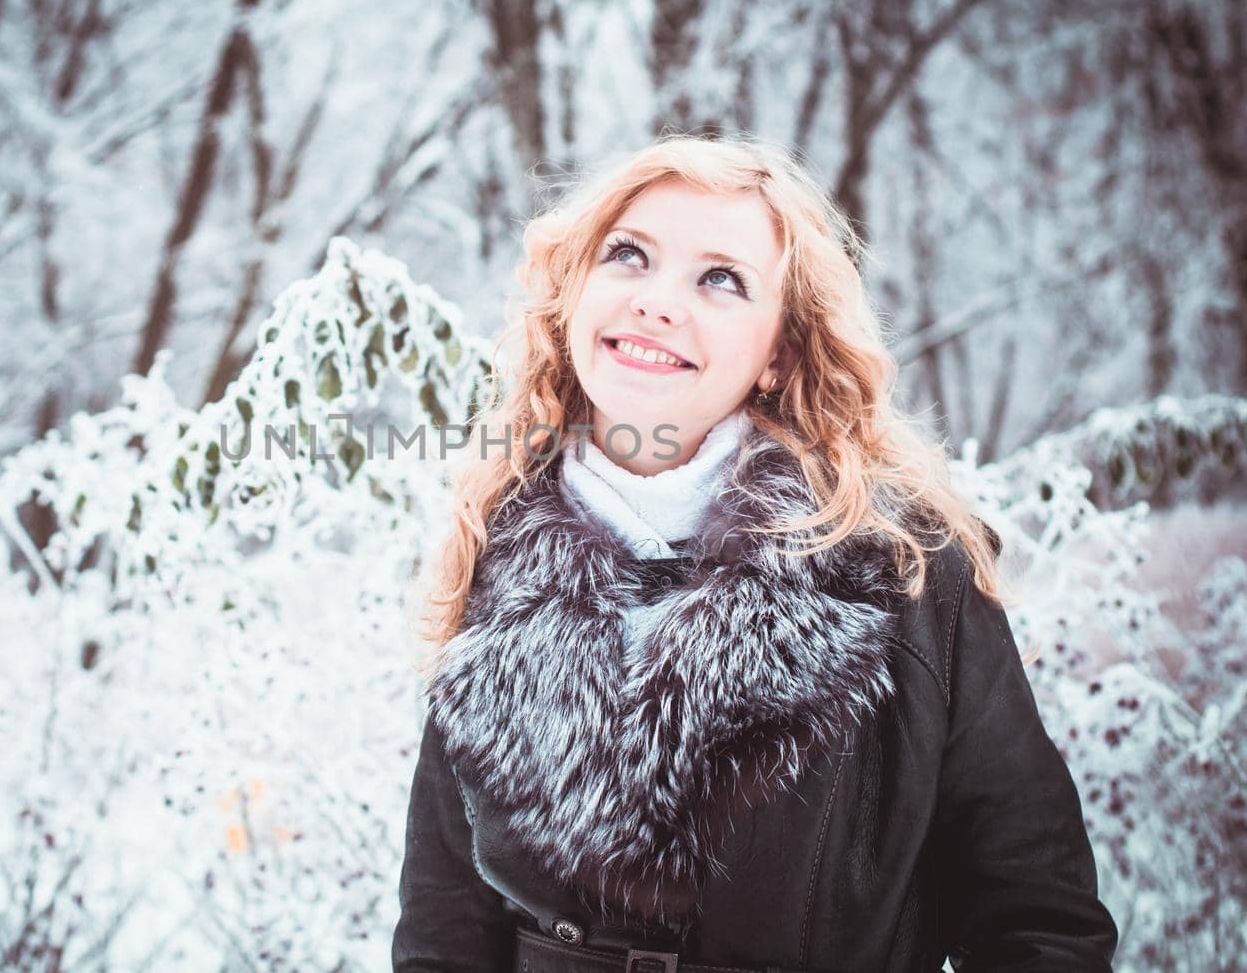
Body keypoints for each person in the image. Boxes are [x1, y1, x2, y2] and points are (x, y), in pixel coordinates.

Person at [390, 134, 1119, 972]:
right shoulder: (493, 550)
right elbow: (442, 936)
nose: (658, 303)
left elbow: (1042, 926)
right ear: (572, 295)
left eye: (720, 279)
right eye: (628, 255)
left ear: (779, 353)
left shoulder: (905, 569)